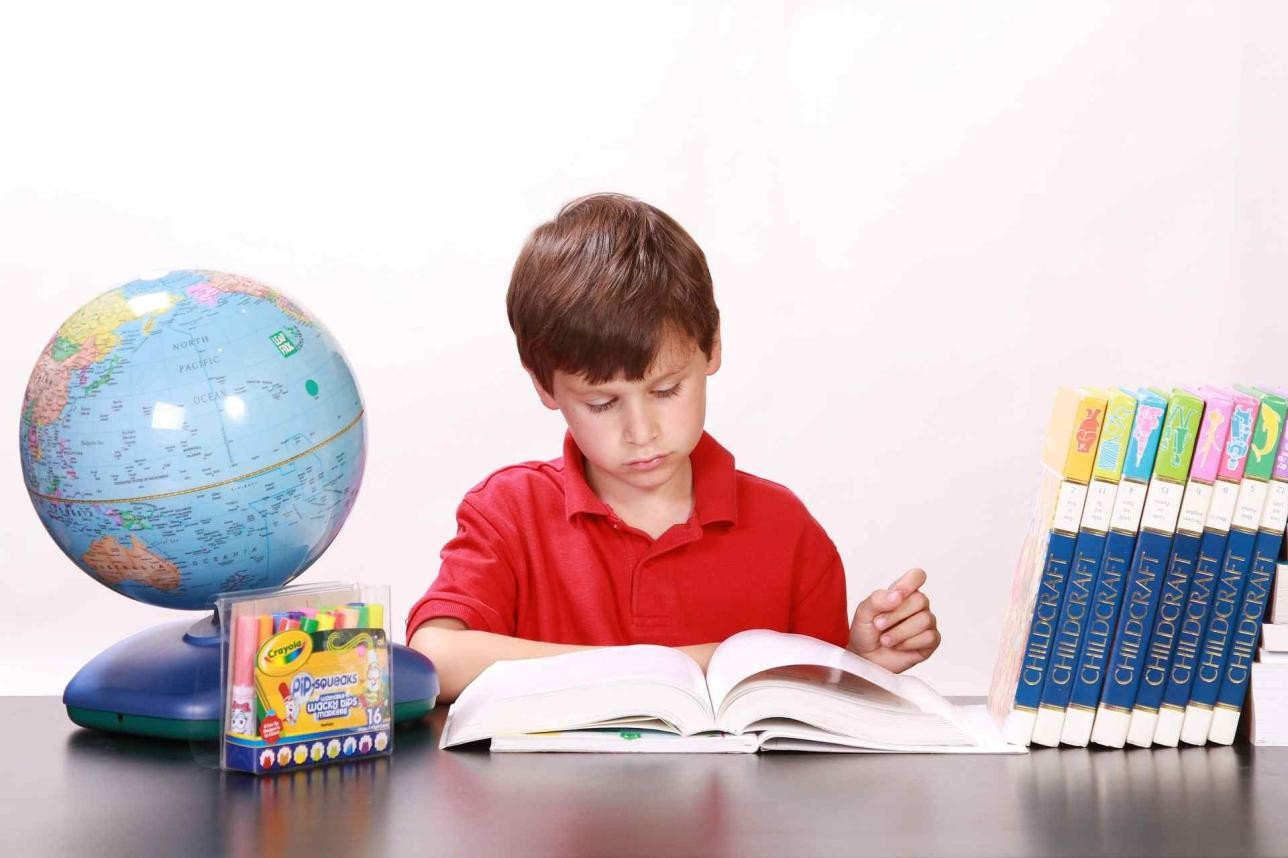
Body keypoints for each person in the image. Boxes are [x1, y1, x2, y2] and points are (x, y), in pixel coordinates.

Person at [407, 193, 940, 701]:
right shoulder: (509, 512)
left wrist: (858, 662)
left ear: (712, 347)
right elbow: (436, 656)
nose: (642, 432)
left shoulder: (786, 529)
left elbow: (816, 704)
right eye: (601, 404)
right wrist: (682, 664)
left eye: (665, 391)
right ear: (545, 386)